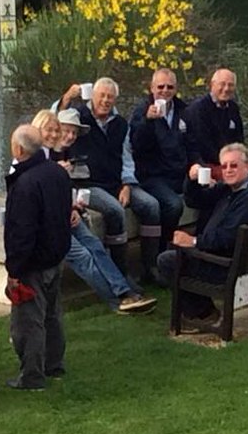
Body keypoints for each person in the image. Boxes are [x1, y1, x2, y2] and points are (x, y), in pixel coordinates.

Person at [33, 109, 156, 313]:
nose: (54, 134)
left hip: (64, 214)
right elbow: (35, 195)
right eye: (50, 130)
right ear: (37, 129)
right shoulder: (34, 158)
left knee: (95, 245)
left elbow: (58, 191)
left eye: (56, 130)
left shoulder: (56, 153)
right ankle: (118, 302)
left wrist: (70, 207)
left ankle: (124, 290)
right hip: (47, 224)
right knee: (83, 256)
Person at [155, 143, 248, 329]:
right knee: (174, 250)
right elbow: (194, 201)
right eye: (224, 166)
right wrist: (191, 180)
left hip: (230, 265)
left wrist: (193, 241)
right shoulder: (230, 189)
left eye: (234, 165)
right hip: (227, 257)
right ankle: (201, 310)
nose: (228, 170)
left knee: (168, 260)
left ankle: (203, 314)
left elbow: (227, 237)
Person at [67, 77, 164, 284]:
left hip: (116, 181)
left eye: (110, 97)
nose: (105, 100)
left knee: (151, 205)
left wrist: (127, 184)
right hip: (88, 184)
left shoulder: (120, 124)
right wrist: (67, 96)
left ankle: (150, 267)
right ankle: (121, 270)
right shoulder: (79, 117)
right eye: (101, 95)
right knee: (115, 210)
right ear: (92, 96)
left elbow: (126, 157)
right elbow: (57, 119)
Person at [3, 124, 72, 390]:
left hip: (32, 263)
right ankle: (53, 364)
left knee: (28, 322)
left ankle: (32, 376)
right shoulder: (57, 172)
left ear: (19, 149)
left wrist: (15, 270)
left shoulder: (25, 184)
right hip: (55, 255)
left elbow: (22, 232)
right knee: (52, 315)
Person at [129, 68, 193, 254]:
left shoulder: (183, 110)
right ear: (151, 88)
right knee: (173, 205)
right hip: (152, 175)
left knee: (212, 192)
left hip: (179, 172)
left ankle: (202, 248)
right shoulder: (142, 111)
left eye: (170, 86)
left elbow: (192, 142)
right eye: (160, 86)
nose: (165, 90)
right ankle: (162, 252)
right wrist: (148, 121)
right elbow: (136, 145)